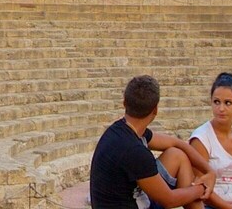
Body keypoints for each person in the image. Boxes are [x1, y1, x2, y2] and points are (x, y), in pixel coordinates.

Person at [91, 75, 216, 209]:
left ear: (124, 103)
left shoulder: (122, 129)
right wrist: (202, 188)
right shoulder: (135, 152)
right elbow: (169, 200)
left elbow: (177, 143)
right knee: (182, 190)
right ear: (155, 110)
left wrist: (210, 172)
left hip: (131, 197)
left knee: (177, 155)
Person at [164, 73, 232, 209]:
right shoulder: (201, 138)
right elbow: (200, 187)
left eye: (227, 103)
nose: (221, 108)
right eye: (216, 102)